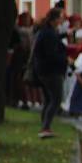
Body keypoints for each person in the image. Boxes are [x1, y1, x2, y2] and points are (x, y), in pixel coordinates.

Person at [32, 7, 68, 138]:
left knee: (48, 98)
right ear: (55, 19)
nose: (62, 20)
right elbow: (51, 54)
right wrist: (65, 59)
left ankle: (45, 126)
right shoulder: (49, 34)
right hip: (51, 71)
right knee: (56, 99)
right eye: (61, 18)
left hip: (43, 70)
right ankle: (45, 126)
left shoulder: (47, 32)